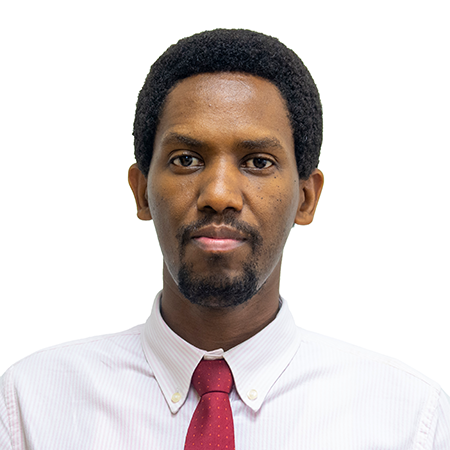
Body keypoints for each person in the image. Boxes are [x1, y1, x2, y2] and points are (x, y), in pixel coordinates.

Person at [1, 28, 449, 450]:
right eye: (186, 159)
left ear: (306, 199)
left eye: (258, 162)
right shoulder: (29, 407)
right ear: (141, 192)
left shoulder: (409, 422)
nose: (218, 195)